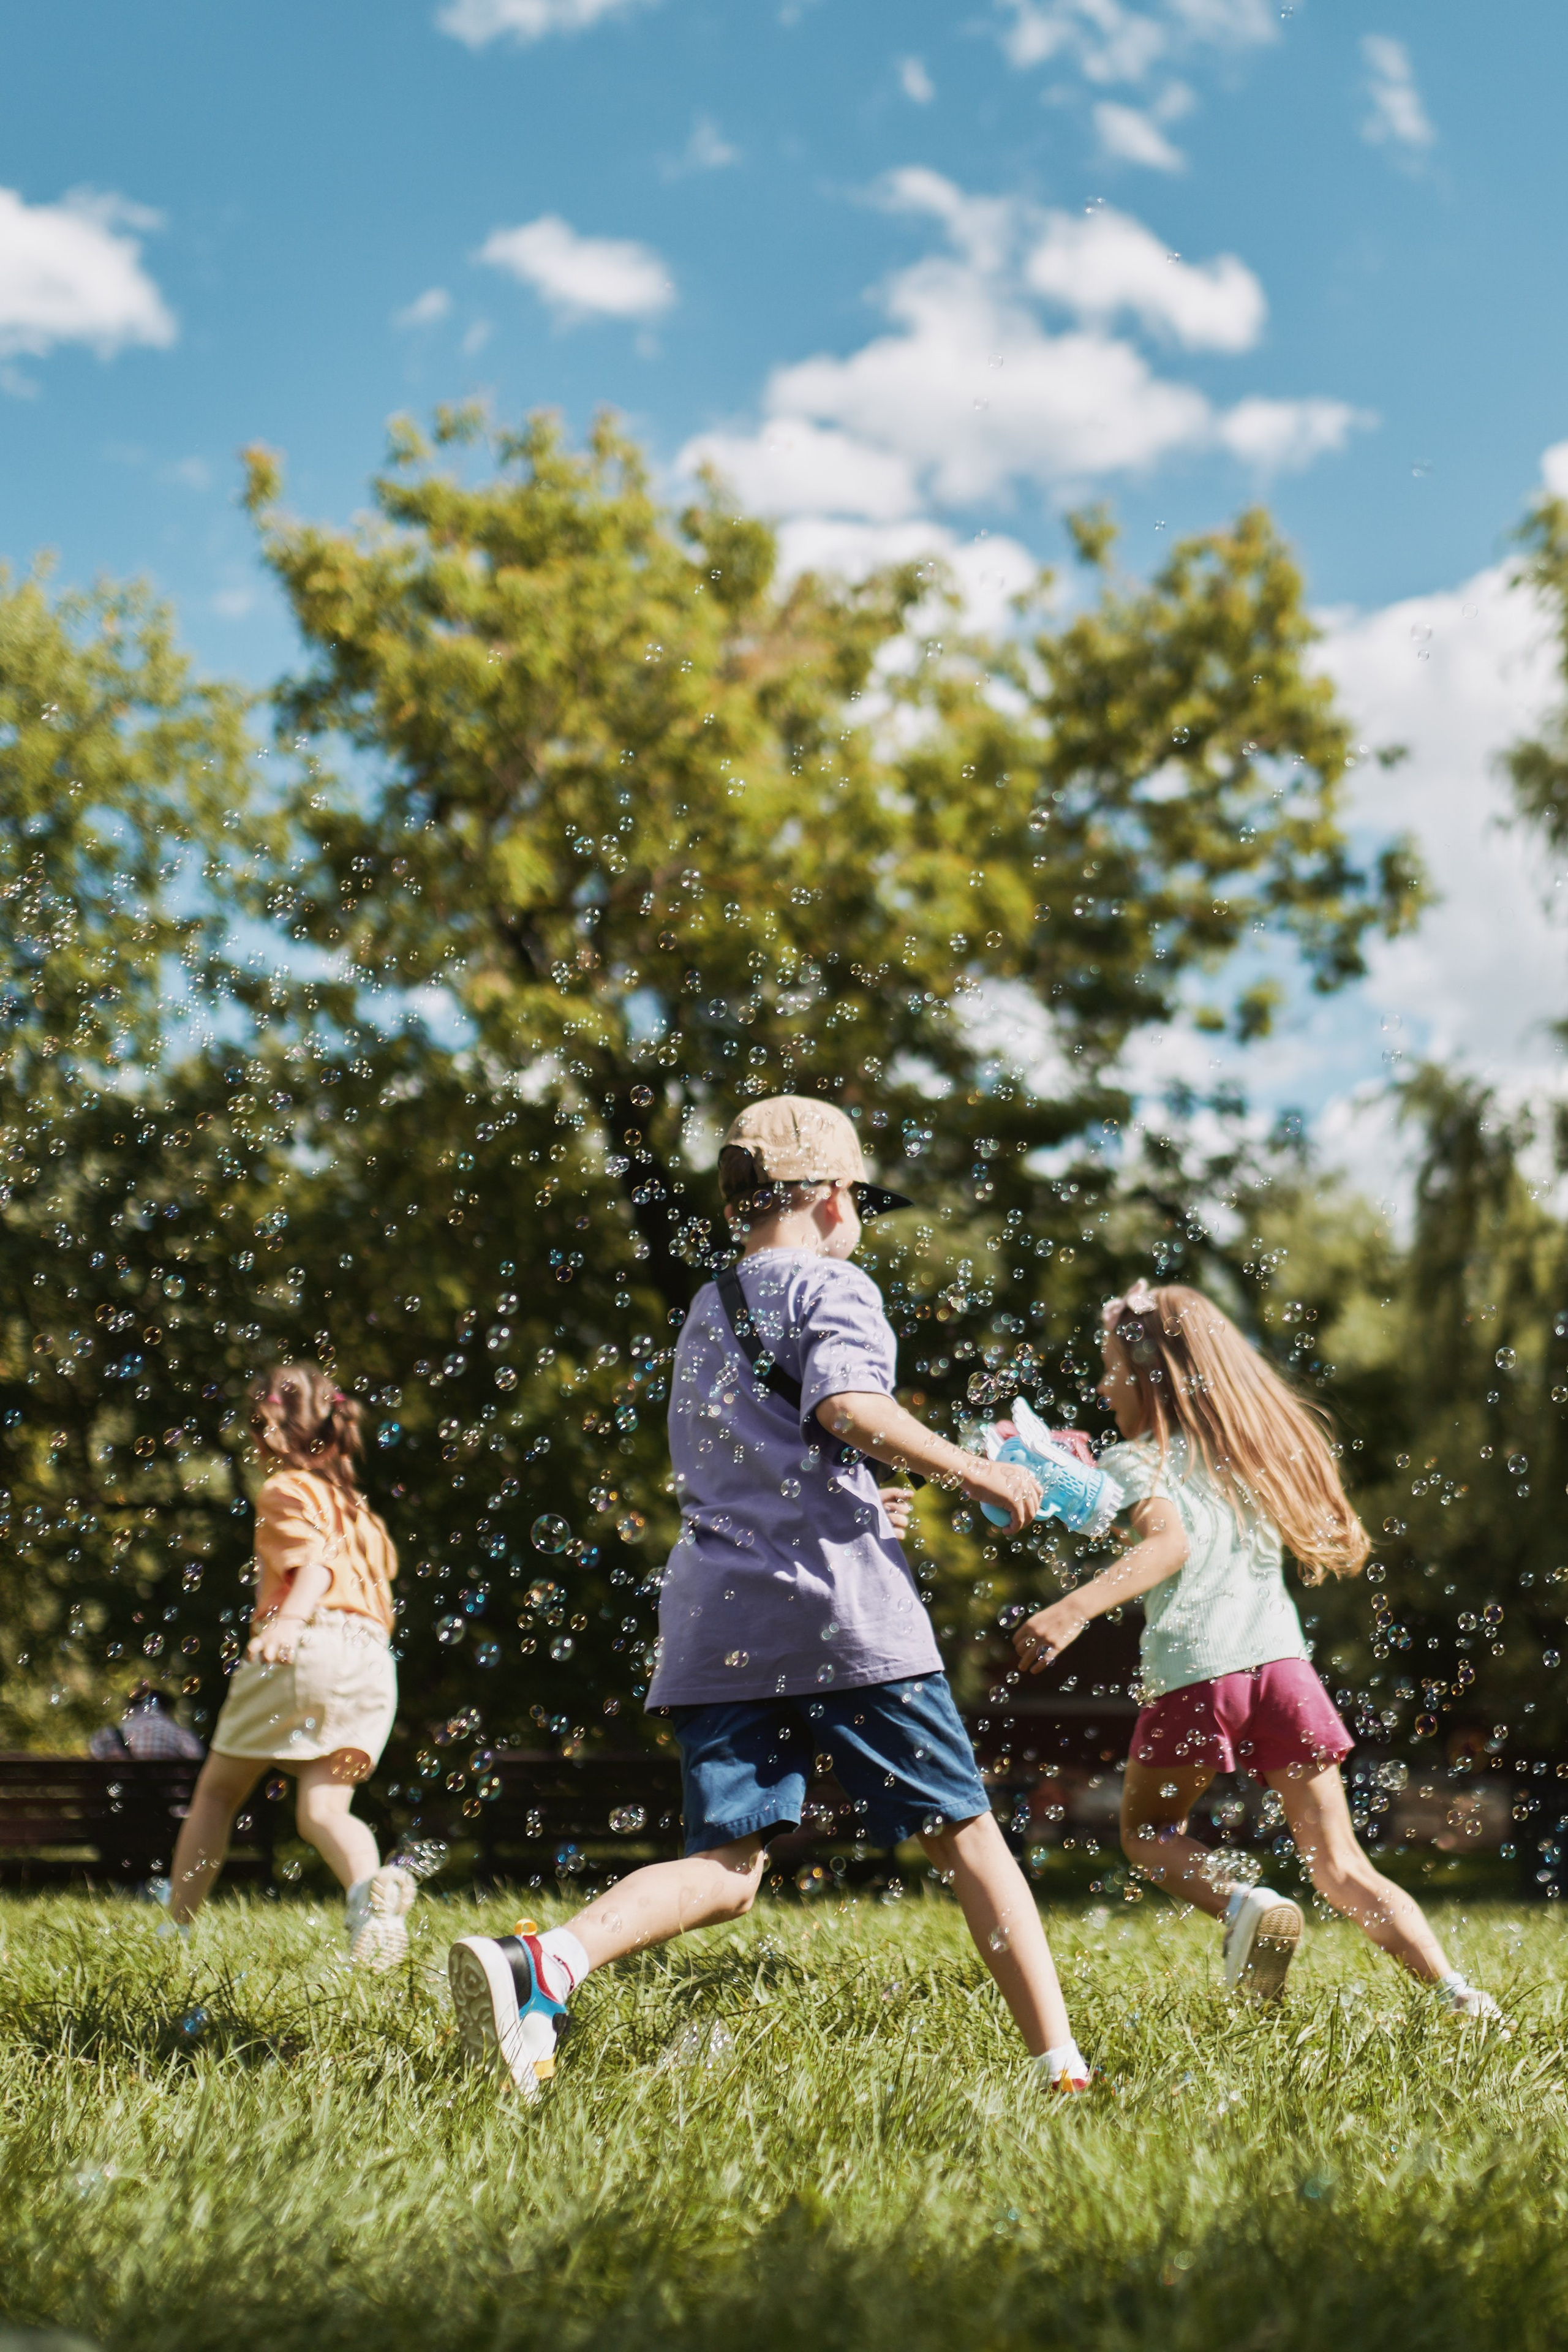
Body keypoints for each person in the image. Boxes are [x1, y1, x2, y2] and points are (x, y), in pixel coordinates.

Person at [447, 1095, 1092, 2098]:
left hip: (719, 1615)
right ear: (834, 1197)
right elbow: (843, 1403)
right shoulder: (838, 1286)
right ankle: (1063, 2071)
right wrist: (976, 1471)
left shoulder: (711, 1307)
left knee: (728, 1870)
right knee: (967, 1835)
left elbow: (770, 1452)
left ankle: (550, 1962)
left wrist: (862, 1493)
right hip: (841, 1617)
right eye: (862, 1199)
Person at [1013, 1278, 1496, 2017]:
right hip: (1285, 1672)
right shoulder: (1247, 1459)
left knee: (1147, 1834)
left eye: (1111, 1367)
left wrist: (1072, 1609)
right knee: (1341, 1866)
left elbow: (1168, 1543)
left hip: (1196, 1674)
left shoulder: (1137, 1460)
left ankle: (1245, 1907)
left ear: (1150, 1375)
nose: (1105, 1385)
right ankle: (1461, 1998)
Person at [165, 1362, 416, 1968]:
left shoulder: (286, 1490)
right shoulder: (362, 1515)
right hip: (371, 1660)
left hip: (310, 1644)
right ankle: (368, 1896)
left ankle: (175, 1933)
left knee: (218, 1794)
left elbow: (314, 1572)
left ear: (271, 1433)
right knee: (326, 1810)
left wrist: (287, 1622)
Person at [89, 1682, 204, 1760]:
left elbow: (93, 1759)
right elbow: (196, 1757)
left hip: (124, 1793)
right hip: (165, 1794)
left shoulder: (109, 1735)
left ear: (132, 1707)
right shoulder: (180, 1734)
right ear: (167, 1709)